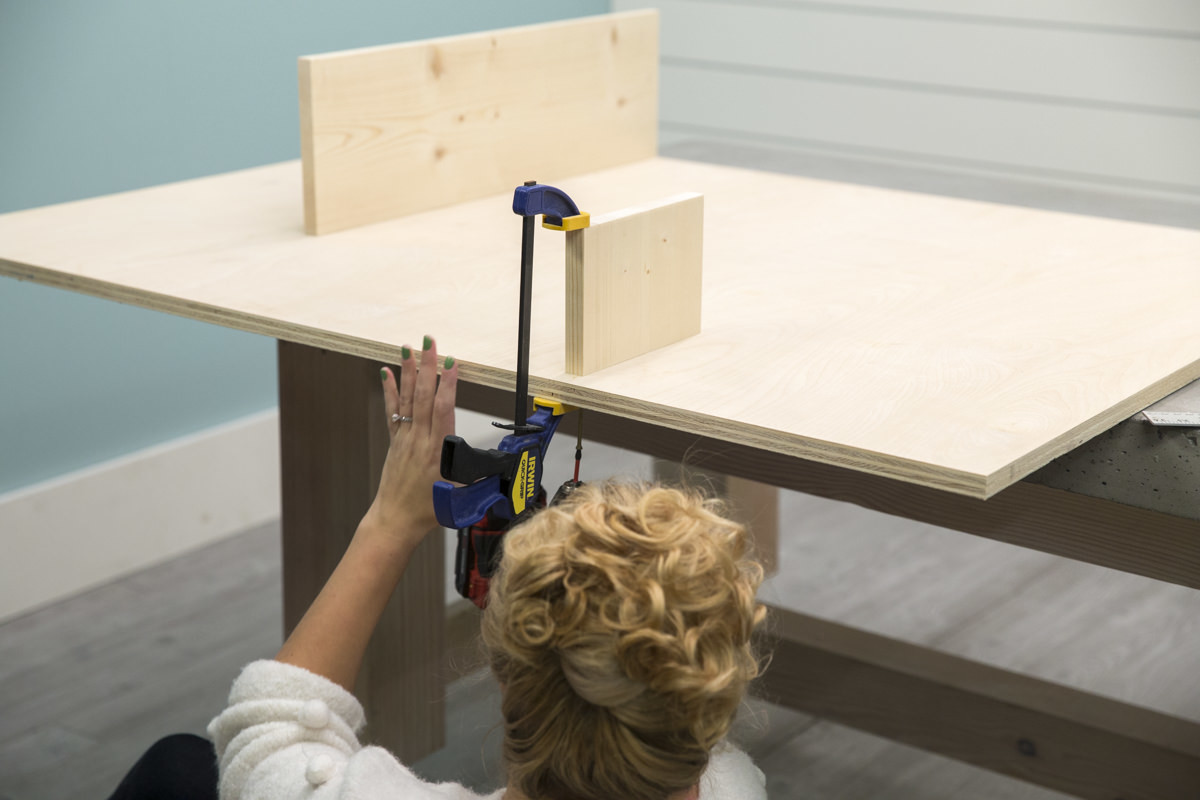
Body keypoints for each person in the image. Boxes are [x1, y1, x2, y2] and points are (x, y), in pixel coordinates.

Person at [111, 336, 769, 799]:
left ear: (508, 681)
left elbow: (269, 728)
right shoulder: (739, 786)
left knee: (177, 768)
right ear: (711, 699)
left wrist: (391, 522)